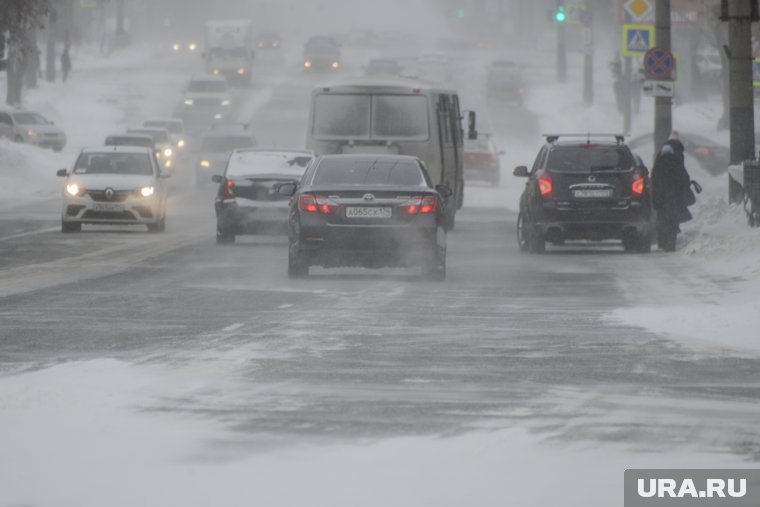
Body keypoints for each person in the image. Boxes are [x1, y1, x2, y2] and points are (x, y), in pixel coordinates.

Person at [651, 134, 693, 251]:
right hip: (674, 198)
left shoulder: (659, 164)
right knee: (672, 221)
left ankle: (662, 242)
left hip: (661, 198)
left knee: (662, 220)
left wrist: (655, 198)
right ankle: (670, 243)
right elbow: (684, 178)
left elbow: (654, 182)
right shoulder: (676, 162)